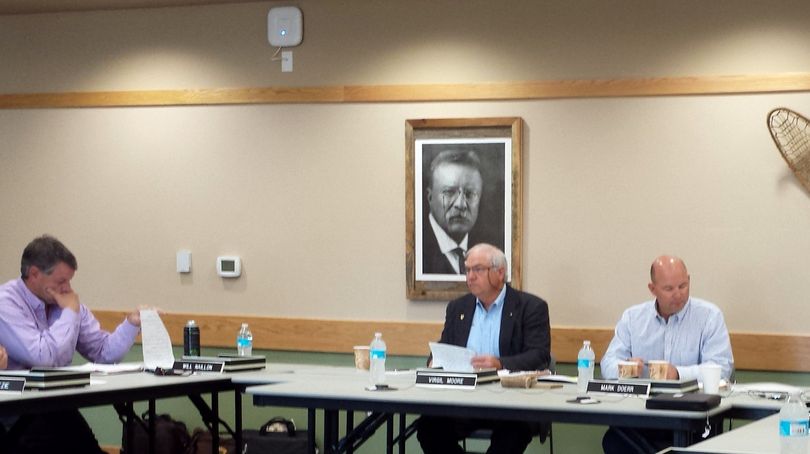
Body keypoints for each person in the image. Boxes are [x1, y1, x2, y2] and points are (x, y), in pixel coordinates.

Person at [0, 234, 144, 454]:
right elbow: (42, 357)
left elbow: (103, 352)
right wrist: (69, 312)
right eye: (60, 281)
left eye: (69, 280)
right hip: (19, 412)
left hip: (56, 405)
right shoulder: (6, 302)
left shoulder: (64, 300)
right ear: (34, 274)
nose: (67, 288)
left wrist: (131, 324)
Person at [416, 243, 551, 454]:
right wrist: (435, 359)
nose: (470, 276)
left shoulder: (531, 307)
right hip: (464, 399)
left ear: (500, 273)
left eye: (477, 269)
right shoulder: (458, 307)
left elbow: (539, 355)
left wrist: (500, 363)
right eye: (467, 270)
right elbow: (445, 345)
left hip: (512, 403)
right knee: (429, 428)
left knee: (512, 434)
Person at [600, 255, 734, 454]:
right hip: (643, 416)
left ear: (689, 280)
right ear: (652, 289)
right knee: (614, 439)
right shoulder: (633, 318)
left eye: (683, 286)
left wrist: (678, 374)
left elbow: (721, 368)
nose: (678, 294)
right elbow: (607, 364)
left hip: (692, 418)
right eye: (669, 289)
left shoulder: (709, 316)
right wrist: (626, 369)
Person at [422, 149, 485, 274]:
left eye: (470, 194)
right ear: (430, 197)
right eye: (449, 192)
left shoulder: (490, 250)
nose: (460, 205)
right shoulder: (418, 251)